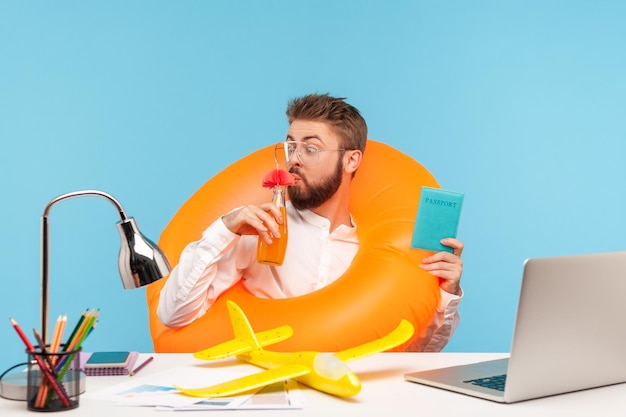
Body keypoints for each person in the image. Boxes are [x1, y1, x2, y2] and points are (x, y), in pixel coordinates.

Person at [157, 94, 464, 351]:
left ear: (351, 160)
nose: (295, 159)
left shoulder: (377, 253)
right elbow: (173, 315)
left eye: (311, 148)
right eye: (291, 146)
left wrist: (446, 293)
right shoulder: (259, 229)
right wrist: (225, 228)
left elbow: (419, 351)